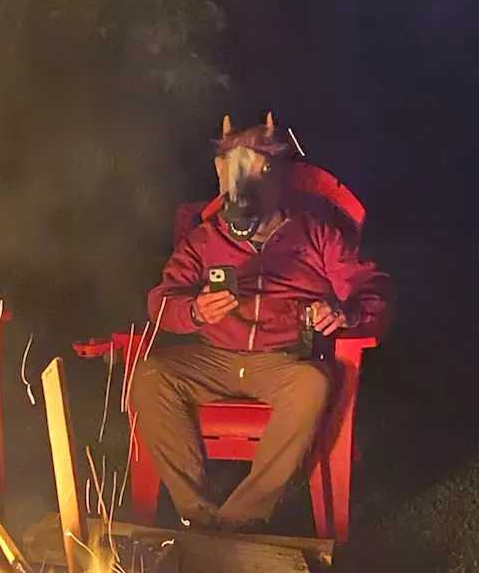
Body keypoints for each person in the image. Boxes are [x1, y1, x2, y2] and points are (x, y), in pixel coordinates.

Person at [131, 113, 394, 533]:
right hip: (214, 356)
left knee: (312, 384)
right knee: (150, 376)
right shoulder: (206, 239)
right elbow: (162, 301)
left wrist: (347, 312)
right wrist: (196, 310)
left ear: (276, 176)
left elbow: (371, 286)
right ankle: (196, 513)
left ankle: (240, 517)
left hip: (282, 359)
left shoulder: (315, 235)